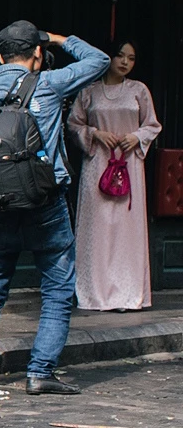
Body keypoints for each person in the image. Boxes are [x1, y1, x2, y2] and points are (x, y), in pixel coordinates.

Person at [0, 21, 110, 395]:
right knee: (57, 289)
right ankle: (40, 372)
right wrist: (61, 39)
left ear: (0, 57)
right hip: (45, 203)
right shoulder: (48, 84)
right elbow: (100, 60)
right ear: (38, 54)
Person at [68, 40, 162, 311]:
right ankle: (94, 293)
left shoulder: (138, 90)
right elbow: (73, 124)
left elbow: (152, 125)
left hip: (129, 164)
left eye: (131, 58)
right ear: (107, 57)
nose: (125, 62)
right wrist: (95, 133)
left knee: (126, 230)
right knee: (96, 228)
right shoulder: (89, 91)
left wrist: (137, 137)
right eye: (120, 56)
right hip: (97, 163)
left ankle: (127, 294)